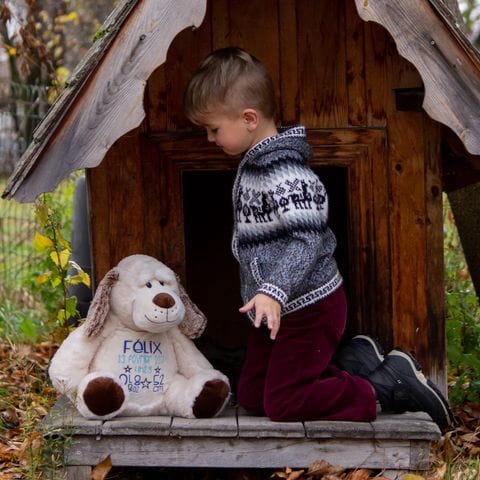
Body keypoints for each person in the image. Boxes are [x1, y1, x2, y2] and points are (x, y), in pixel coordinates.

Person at [183, 47, 453, 431]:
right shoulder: (258, 163)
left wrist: (273, 290)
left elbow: (307, 239)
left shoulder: (285, 172)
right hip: (276, 313)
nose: (210, 139)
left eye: (213, 129)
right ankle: (353, 361)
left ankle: (383, 388)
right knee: (254, 397)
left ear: (248, 119)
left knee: (283, 402)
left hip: (311, 307)